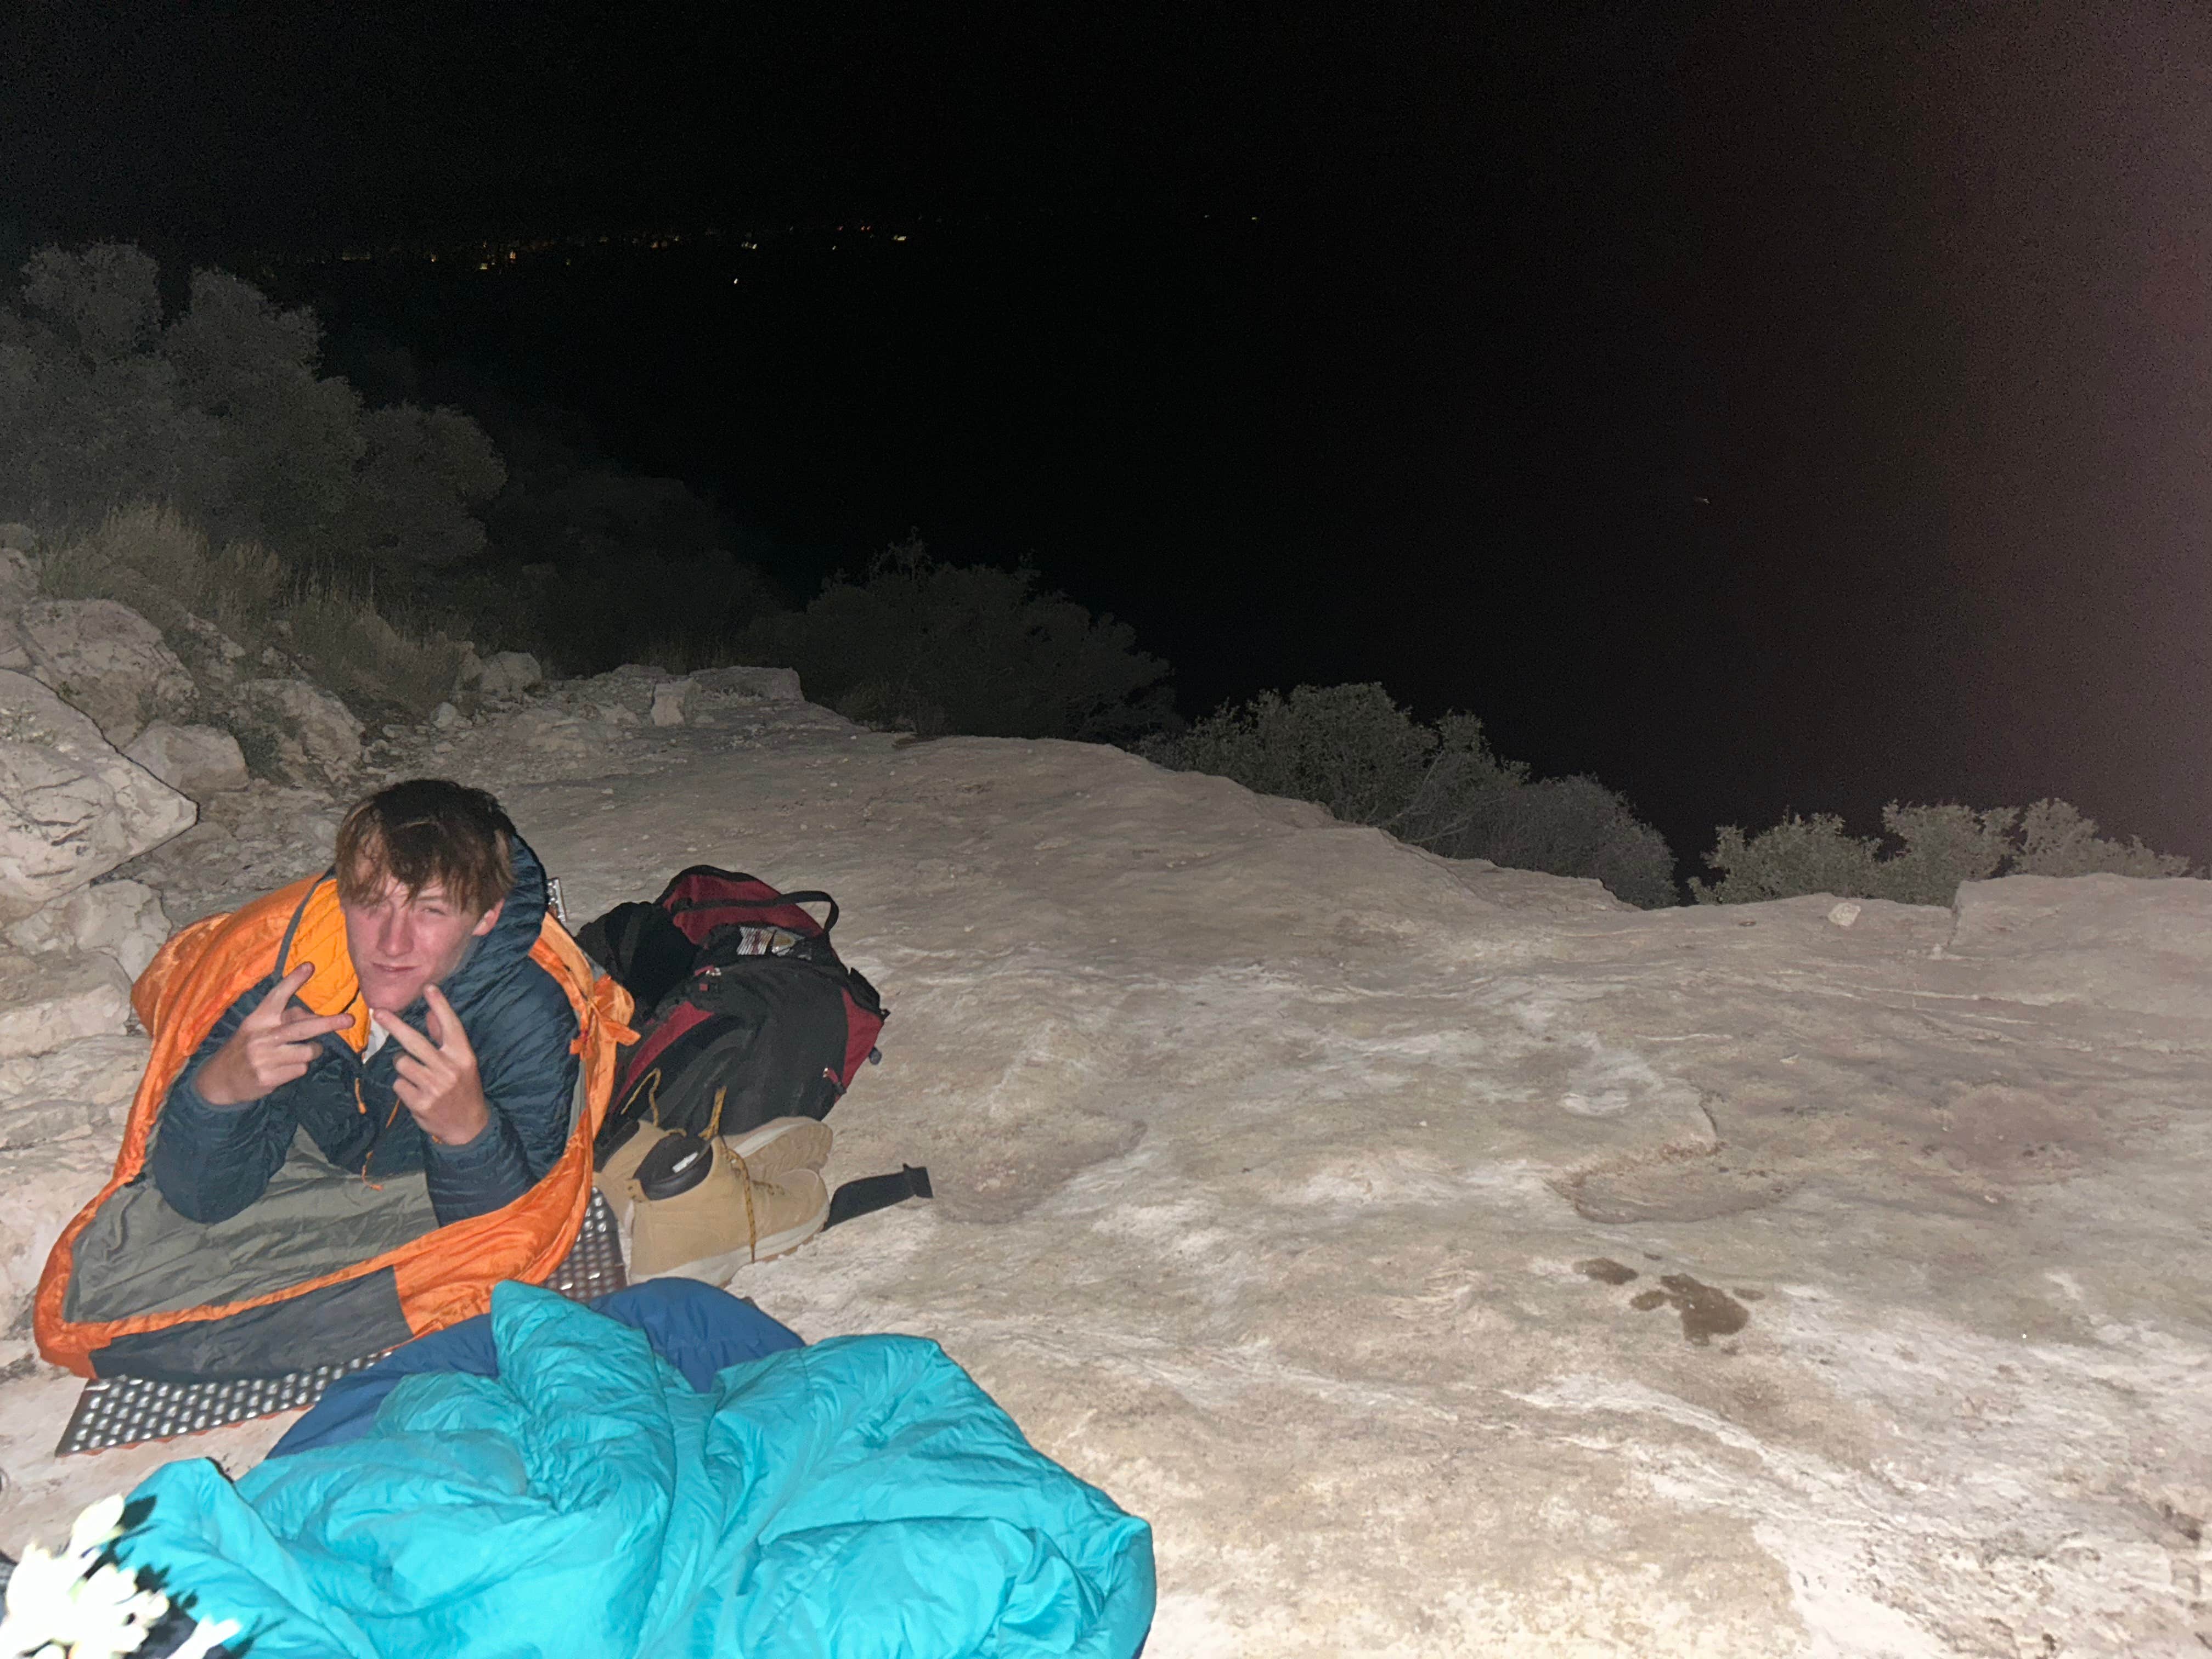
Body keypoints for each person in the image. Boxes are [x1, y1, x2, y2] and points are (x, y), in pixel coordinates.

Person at [149, 778, 585, 1227]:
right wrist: (219, 1092)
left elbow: (513, 1240)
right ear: (342, 898)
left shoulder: (526, 1016)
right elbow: (200, 1202)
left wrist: (469, 1133)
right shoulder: (289, 978)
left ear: (486, 916)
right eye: (372, 903)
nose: (393, 944)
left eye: (431, 910)